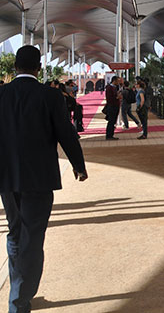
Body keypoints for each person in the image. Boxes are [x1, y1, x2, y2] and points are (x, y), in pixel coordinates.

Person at [0, 46, 88, 313]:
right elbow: (66, 132)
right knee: (32, 237)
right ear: (38, 68)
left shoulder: (1, 94)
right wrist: (78, 165)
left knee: (16, 232)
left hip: (7, 178)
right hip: (39, 179)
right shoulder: (49, 95)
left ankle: (20, 292)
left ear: (14, 67)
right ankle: (19, 300)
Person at [104, 76, 121, 140]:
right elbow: (110, 98)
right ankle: (109, 135)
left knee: (113, 121)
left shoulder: (114, 87)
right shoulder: (110, 88)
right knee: (111, 121)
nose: (118, 82)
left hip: (115, 106)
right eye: (118, 81)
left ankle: (111, 134)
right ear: (114, 80)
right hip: (112, 106)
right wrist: (117, 97)